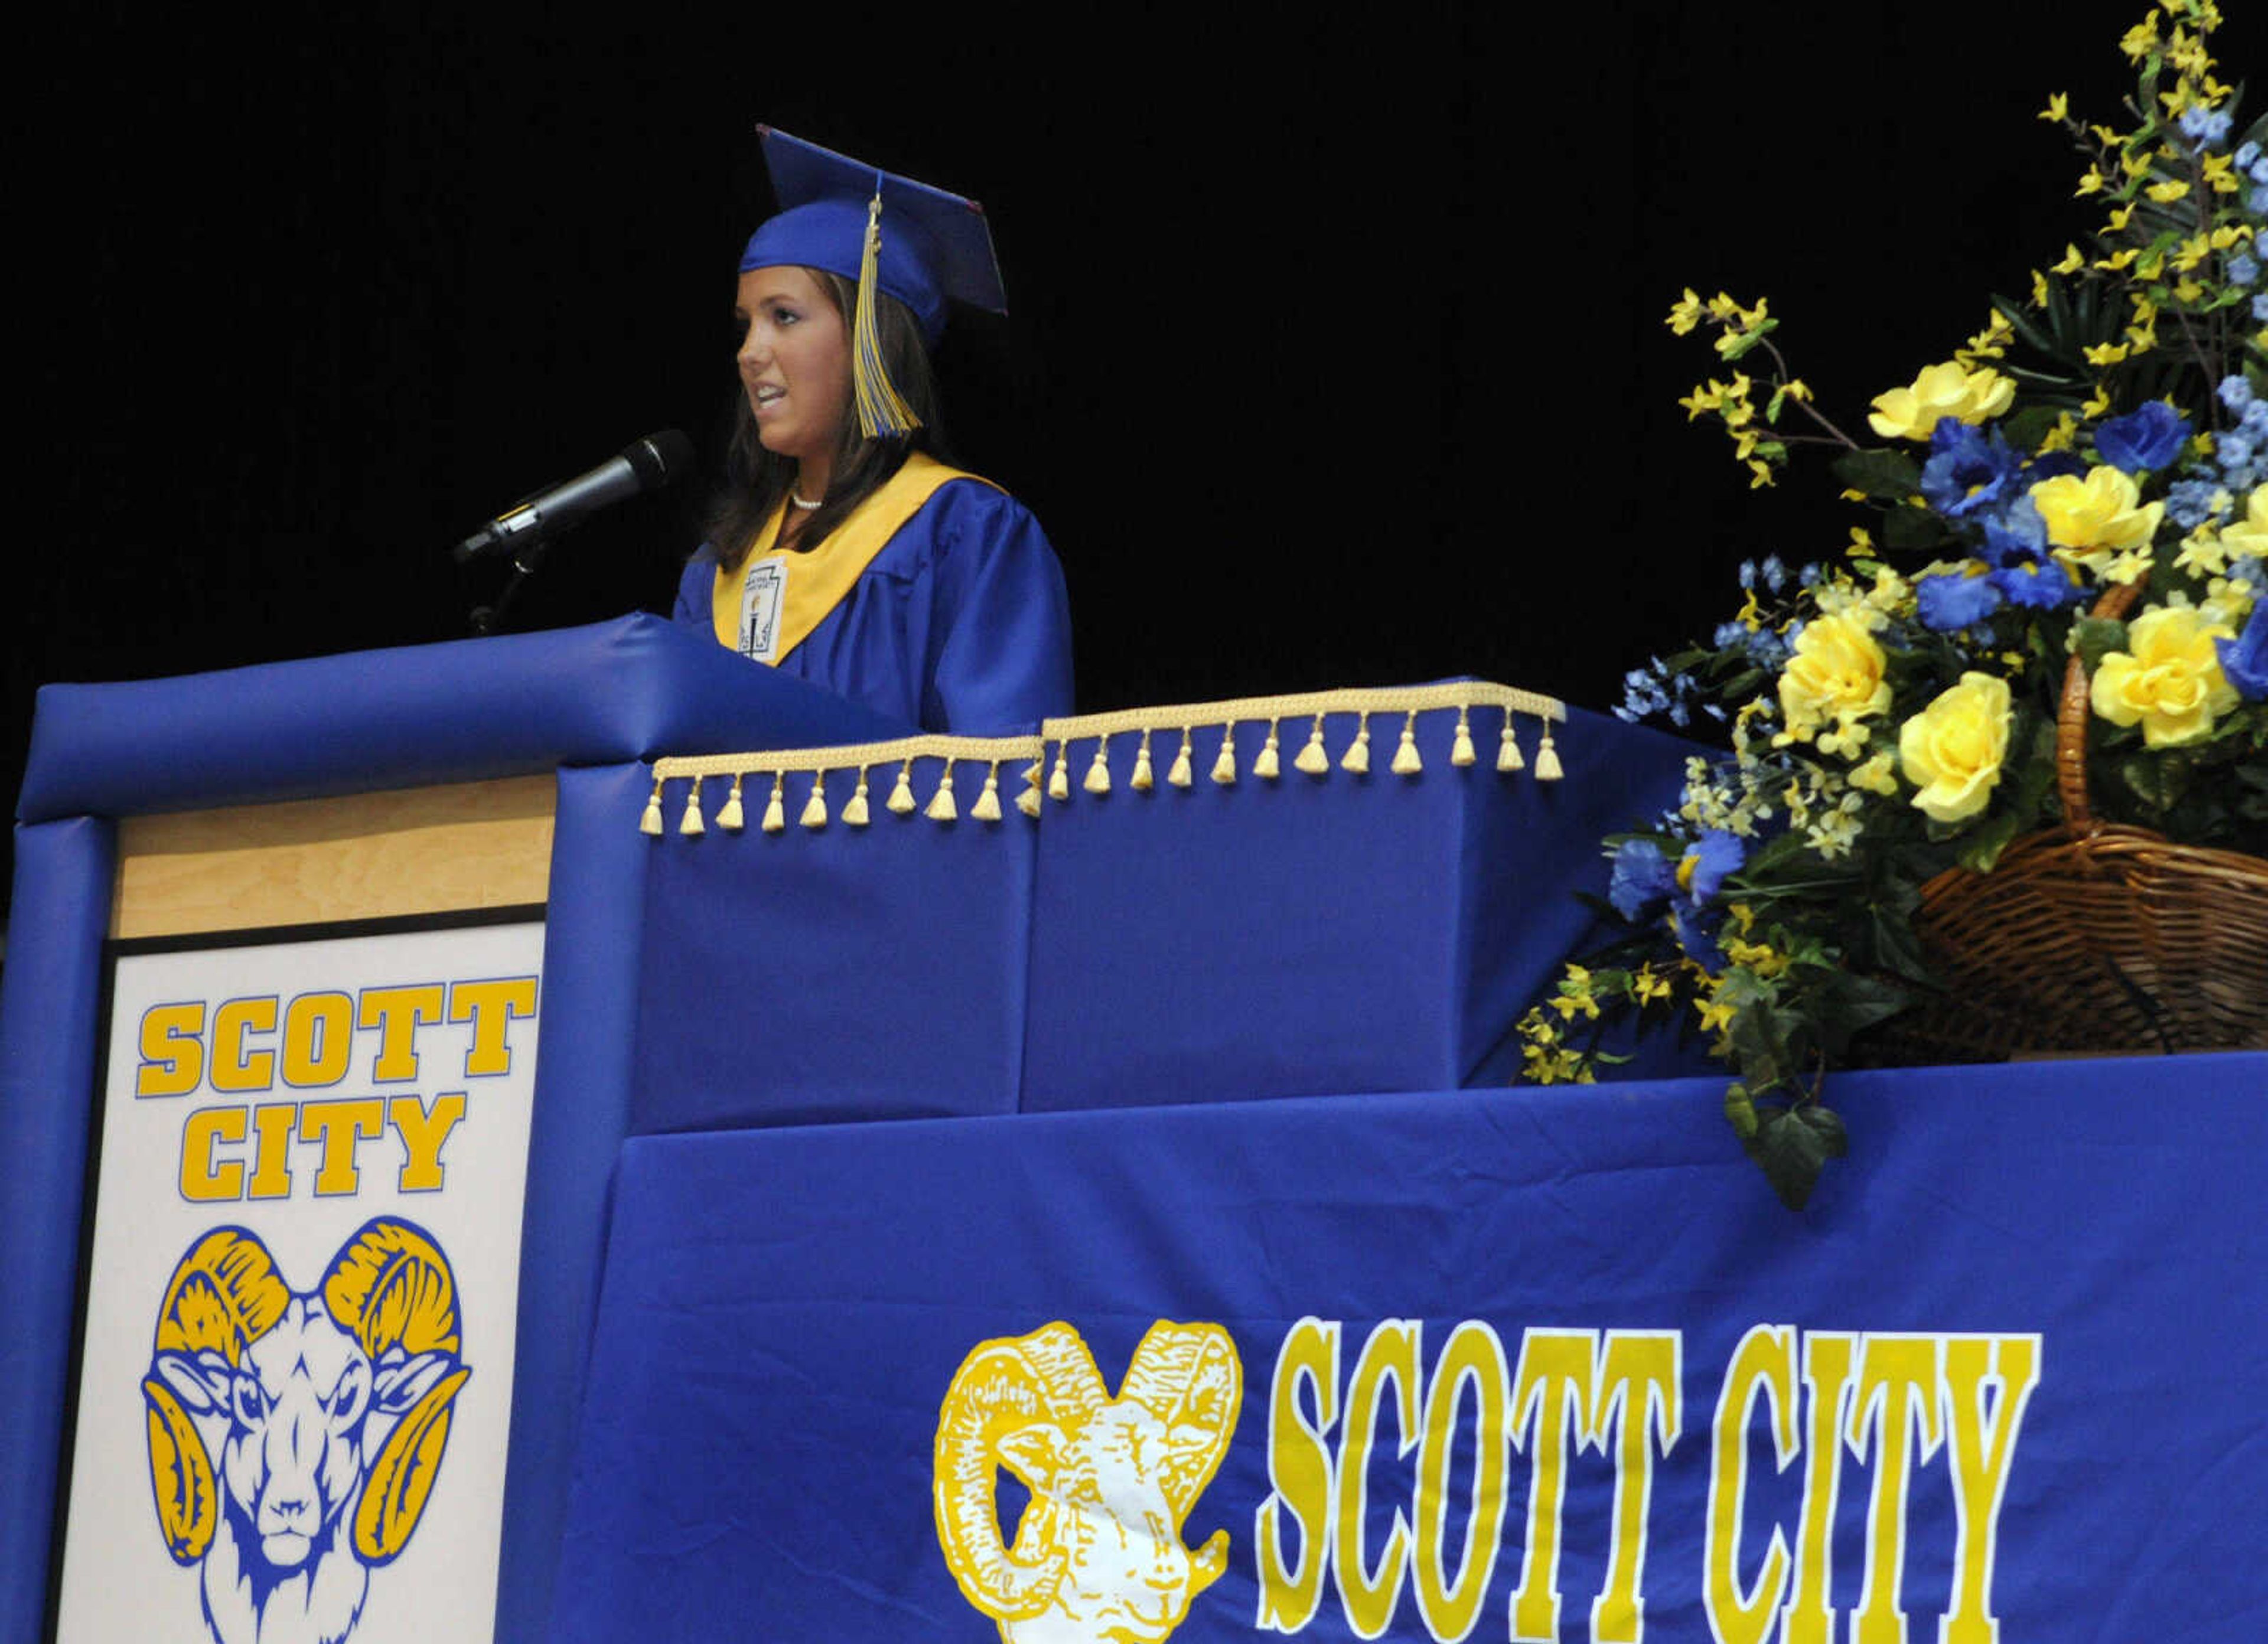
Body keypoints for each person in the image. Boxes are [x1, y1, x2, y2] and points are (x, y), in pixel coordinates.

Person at [673, 129, 1073, 733]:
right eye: (746, 325)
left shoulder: (963, 535)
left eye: (784, 317)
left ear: (873, 343)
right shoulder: (715, 573)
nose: (750, 352)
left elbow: (1004, 779)